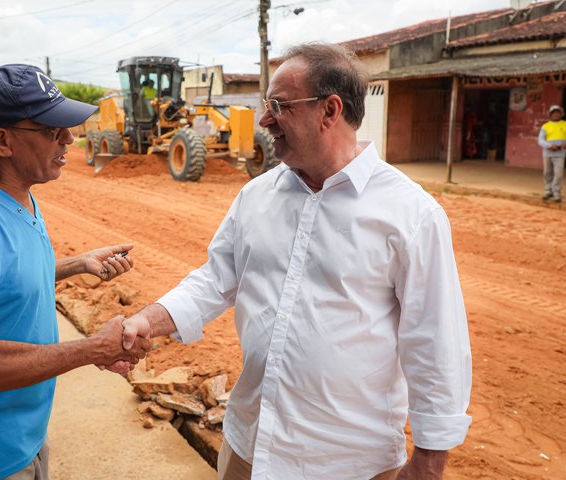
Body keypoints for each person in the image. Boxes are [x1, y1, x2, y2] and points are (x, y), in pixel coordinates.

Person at [120, 43, 472, 480]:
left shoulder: (410, 213)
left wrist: (431, 459)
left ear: (330, 110)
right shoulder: (256, 195)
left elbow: (435, 338)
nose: (265, 120)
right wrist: (147, 321)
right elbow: (215, 280)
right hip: (250, 445)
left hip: (348, 462)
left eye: (278, 106)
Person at [0, 64, 151, 479]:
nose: (69, 139)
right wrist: (93, 349)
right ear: (2, 141)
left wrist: (77, 264)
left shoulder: (16, 196)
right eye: (52, 130)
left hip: (23, 437)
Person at [538, 104, 566, 202]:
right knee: (547, 173)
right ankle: (548, 191)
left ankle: (556, 193)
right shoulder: (545, 126)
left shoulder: (565, 124)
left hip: (560, 154)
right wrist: (550, 146)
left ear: (561, 114)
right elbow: (540, 140)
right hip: (547, 153)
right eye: (553, 113)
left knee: (558, 174)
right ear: (550, 114)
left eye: (558, 112)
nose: (556, 114)